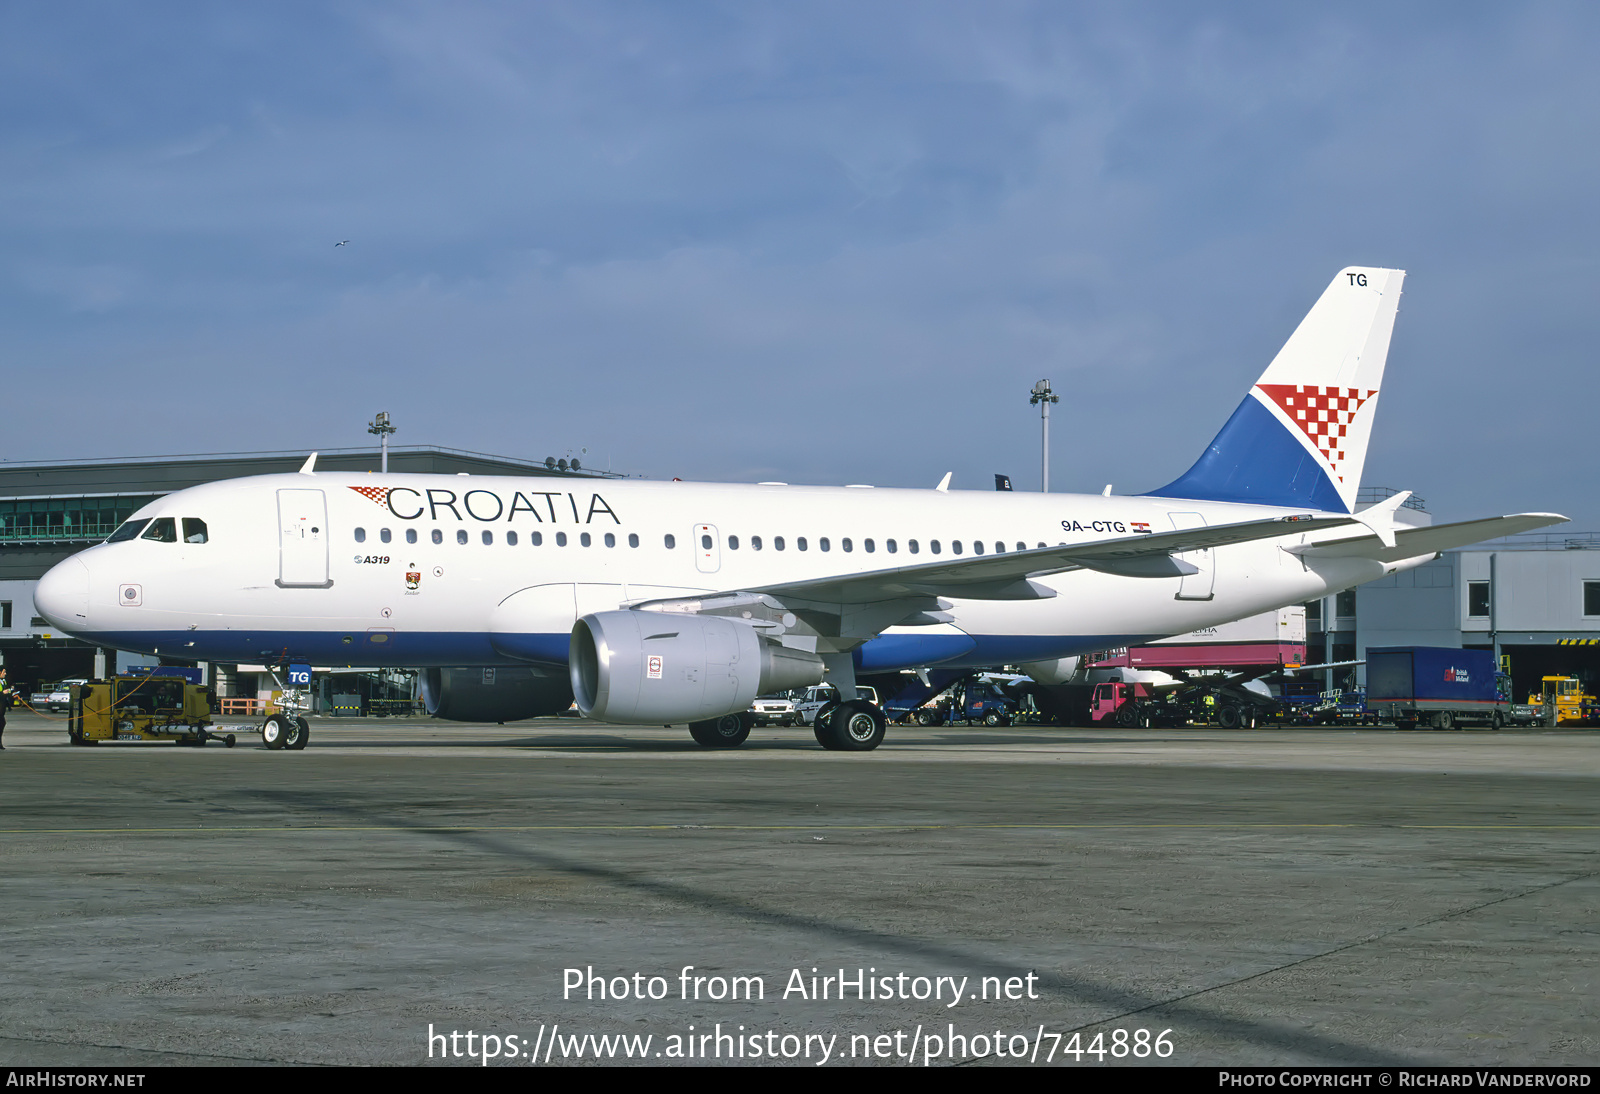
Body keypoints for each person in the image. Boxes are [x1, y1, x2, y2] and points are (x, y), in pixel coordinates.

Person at [0, 668, 11, 749]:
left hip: (2, 706)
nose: (5, 673)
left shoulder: (3, 681)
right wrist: (2, 693)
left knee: (2, 724)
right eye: (4, 672)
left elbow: (6, 691)